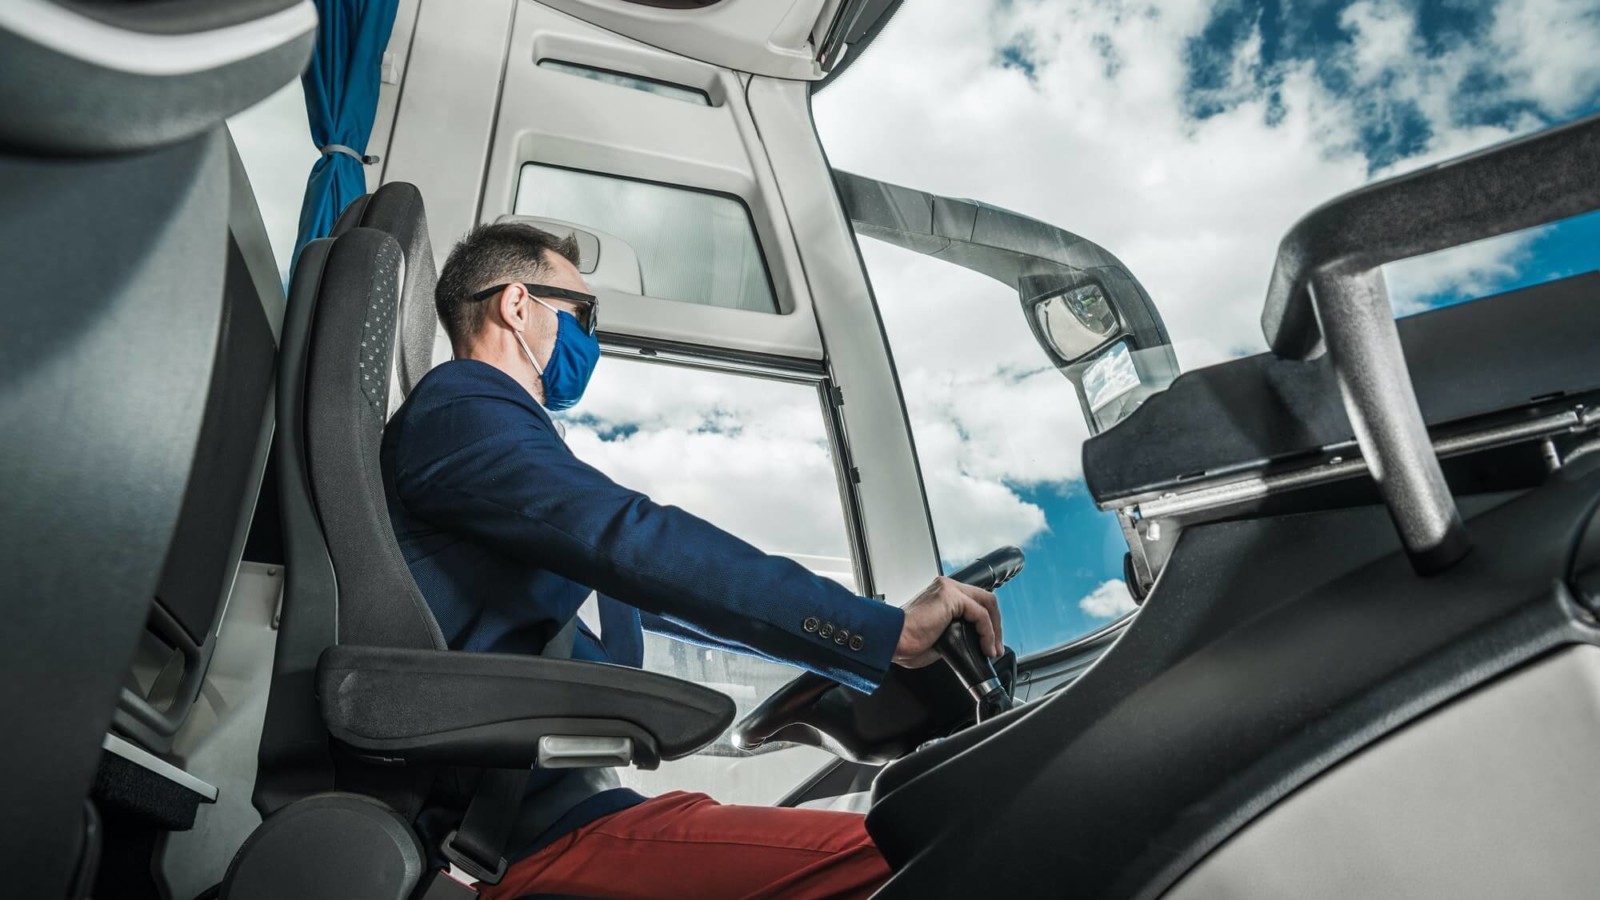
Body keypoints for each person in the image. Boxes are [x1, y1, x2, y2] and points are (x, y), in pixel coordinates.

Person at [381, 222, 1004, 899]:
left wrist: (863, 633)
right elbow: (637, 543)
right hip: (542, 835)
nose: (593, 340)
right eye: (583, 314)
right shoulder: (464, 407)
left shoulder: (498, 447)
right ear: (517, 304)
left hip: (570, 812)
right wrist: (886, 634)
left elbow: (650, 585)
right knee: (936, 853)